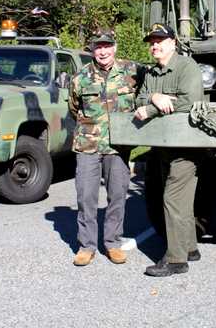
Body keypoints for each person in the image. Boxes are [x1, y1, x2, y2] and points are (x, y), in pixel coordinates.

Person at [134, 23, 204, 277]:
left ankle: (176, 260)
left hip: (184, 145)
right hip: (162, 145)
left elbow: (190, 101)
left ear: (173, 42)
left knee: (172, 199)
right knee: (181, 201)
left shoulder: (187, 66)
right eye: (152, 41)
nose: (155, 45)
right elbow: (139, 98)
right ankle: (190, 248)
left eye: (160, 40)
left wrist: (152, 108)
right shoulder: (152, 73)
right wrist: (155, 99)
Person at [68, 28, 139, 266]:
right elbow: (74, 108)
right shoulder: (80, 77)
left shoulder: (132, 72)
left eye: (107, 46)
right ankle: (86, 246)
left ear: (115, 48)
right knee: (86, 197)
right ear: (92, 50)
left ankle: (113, 243)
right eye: (98, 46)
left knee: (117, 196)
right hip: (88, 145)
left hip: (118, 147)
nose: (103, 51)